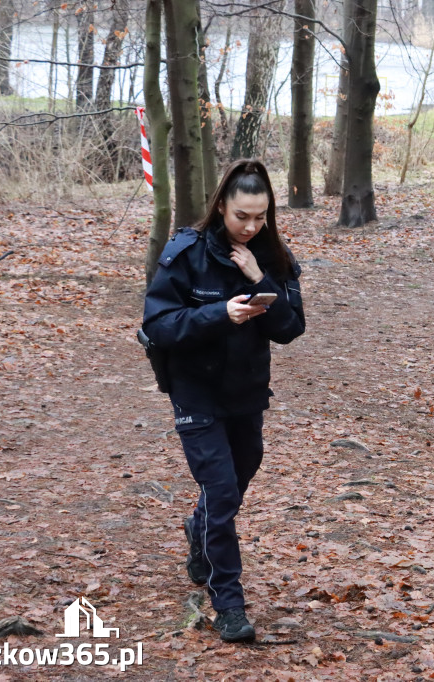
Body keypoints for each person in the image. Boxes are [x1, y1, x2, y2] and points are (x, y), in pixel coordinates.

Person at [142, 159, 305, 643]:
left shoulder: (272, 255)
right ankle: (228, 604)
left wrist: (260, 278)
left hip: (247, 392)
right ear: (221, 207)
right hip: (195, 391)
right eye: (241, 217)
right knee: (222, 492)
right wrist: (219, 314)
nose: (252, 227)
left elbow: (291, 329)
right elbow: (157, 327)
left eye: (260, 216)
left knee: (237, 478)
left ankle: (199, 528)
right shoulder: (186, 252)